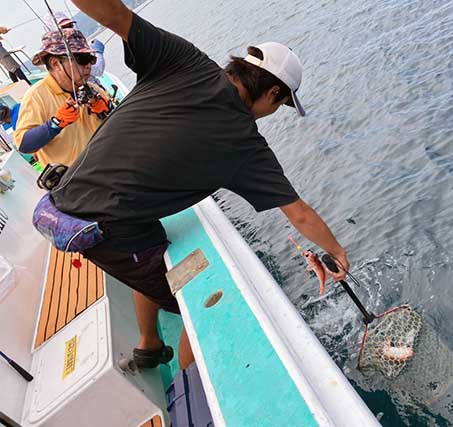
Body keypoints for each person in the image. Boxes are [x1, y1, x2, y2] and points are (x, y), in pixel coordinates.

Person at [50, 0, 350, 371]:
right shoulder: (246, 144)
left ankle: (149, 345)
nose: (276, 111)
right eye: (282, 104)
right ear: (273, 93)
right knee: (198, 289)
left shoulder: (184, 59)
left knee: (151, 247)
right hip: (100, 228)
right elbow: (299, 213)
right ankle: (190, 387)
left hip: (62, 198)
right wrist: (337, 253)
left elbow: (111, 12)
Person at [13, 28, 112, 166]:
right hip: (76, 183)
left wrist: (106, 112)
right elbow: (24, 145)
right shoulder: (36, 96)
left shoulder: (95, 90)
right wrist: (55, 123)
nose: (89, 65)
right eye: (82, 59)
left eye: (90, 58)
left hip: (109, 166)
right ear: (55, 63)